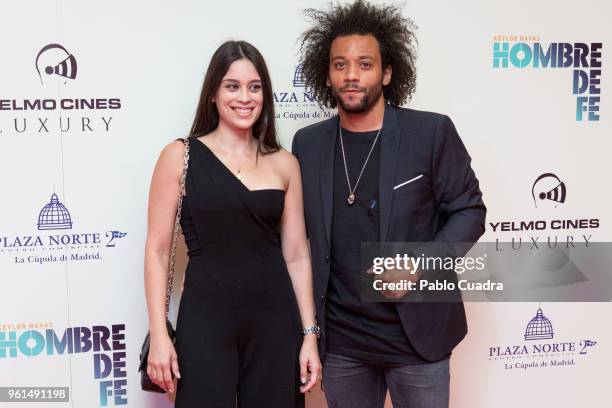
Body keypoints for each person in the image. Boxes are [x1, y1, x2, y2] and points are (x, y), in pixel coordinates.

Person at [292, 1, 486, 407]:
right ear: (326, 75)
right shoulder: (308, 144)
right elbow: (296, 241)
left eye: (365, 64)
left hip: (418, 338)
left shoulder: (430, 132)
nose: (351, 75)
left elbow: (469, 211)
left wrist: (420, 263)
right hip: (343, 342)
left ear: (387, 72)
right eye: (340, 64)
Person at [143, 40, 320, 407]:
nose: (245, 97)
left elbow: (298, 254)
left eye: (255, 87)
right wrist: (159, 333)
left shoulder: (284, 163)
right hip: (206, 321)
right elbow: (158, 251)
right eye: (232, 86)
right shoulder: (179, 155)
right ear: (213, 93)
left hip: (275, 324)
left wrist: (309, 336)